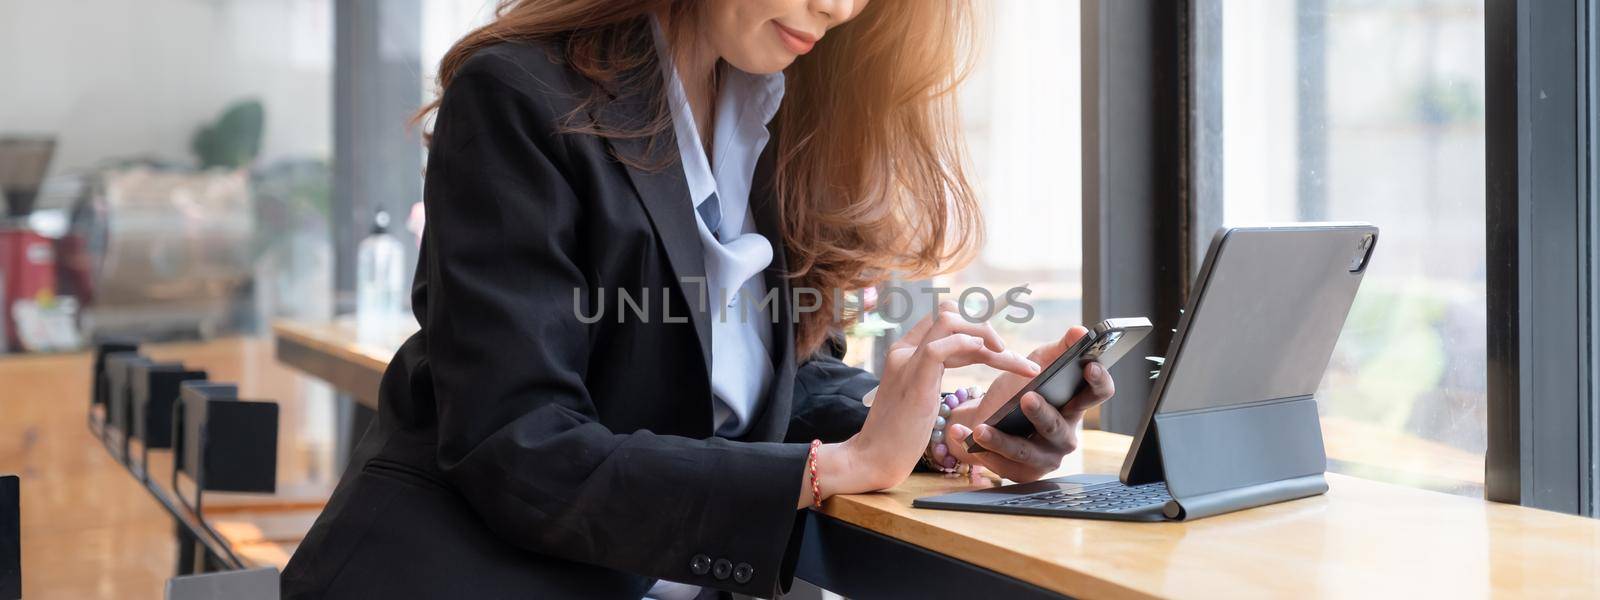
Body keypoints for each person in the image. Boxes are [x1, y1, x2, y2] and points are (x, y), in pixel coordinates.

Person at [281, 0, 1116, 597]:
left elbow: (777, 380)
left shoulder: (777, 115)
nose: (837, 7)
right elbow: (516, 445)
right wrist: (840, 467)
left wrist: (946, 429)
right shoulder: (519, 96)